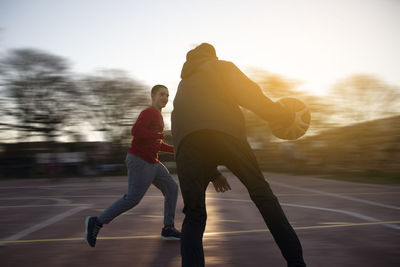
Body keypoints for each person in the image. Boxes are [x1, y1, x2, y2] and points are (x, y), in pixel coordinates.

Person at [171, 43, 307, 267]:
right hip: (225, 131)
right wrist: (282, 116)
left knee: (194, 215)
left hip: (187, 145)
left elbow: (184, 128)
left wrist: (212, 173)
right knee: (263, 196)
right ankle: (296, 263)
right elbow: (251, 96)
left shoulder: (183, 85)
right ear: (212, 55)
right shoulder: (220, 66)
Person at [85, 84, 181, 247]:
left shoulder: (158, 116)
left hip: (153, 162)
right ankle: (97, 221)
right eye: (162, 95)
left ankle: (168, 227)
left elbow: (157, 144)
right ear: (153, 96)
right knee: (133, 199)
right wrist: (161, 134)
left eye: (167, 95)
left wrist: (177, 150)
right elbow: (136, 131)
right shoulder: (149, 112)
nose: (165, 98)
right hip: (139, 160)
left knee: (172, 188)